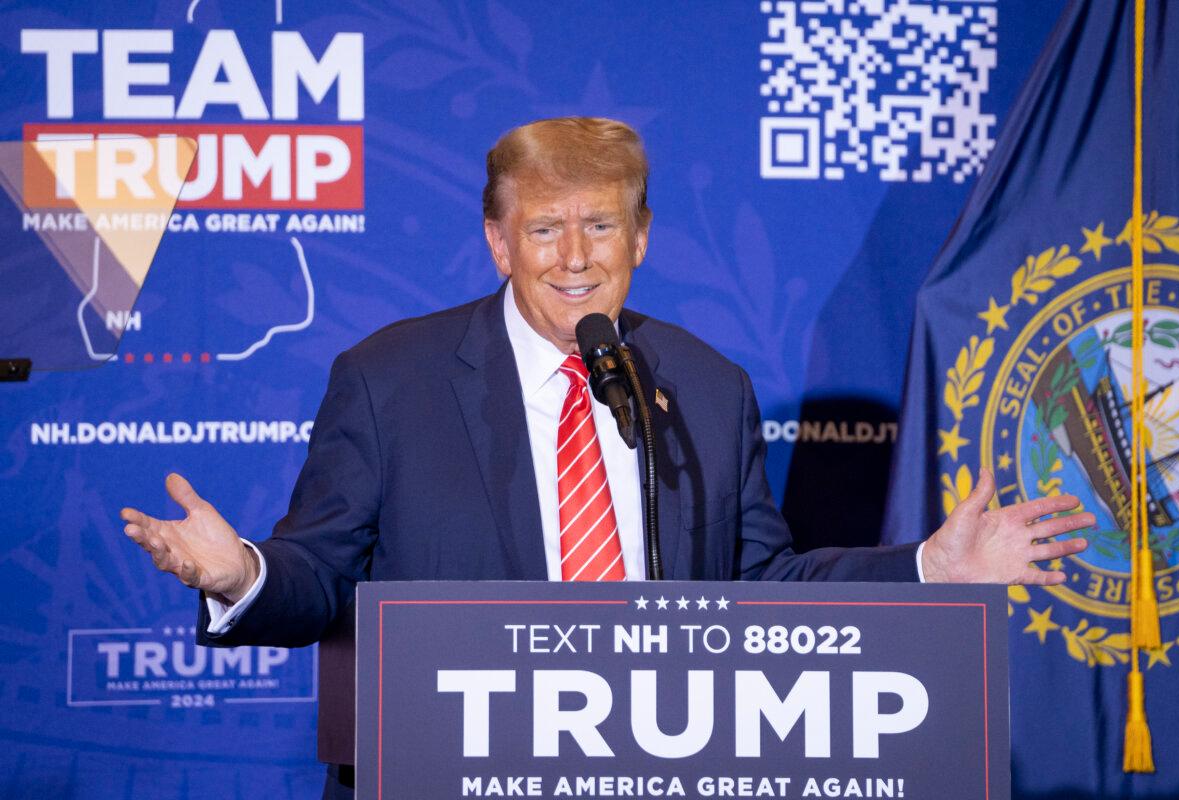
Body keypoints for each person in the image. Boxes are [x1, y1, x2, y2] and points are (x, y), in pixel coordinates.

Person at [120, 117, 1092, 798]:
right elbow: (322, 573)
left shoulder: (707, 384)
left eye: (600, 225)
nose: (574, 256)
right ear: (500, 242)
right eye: (544, 228)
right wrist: (242, 571)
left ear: (643, 236)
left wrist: (931, 566)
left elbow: (762, 583)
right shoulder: (390, 377)